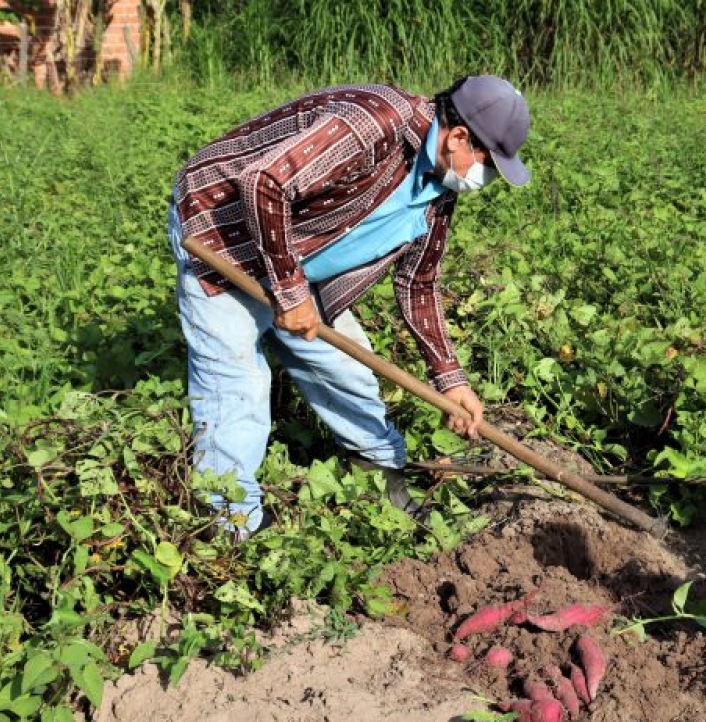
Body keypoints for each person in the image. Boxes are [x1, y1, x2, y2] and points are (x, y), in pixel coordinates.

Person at [166, 75, 531, 538]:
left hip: (293, 259)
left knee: (347, 370)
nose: (487, 179)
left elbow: (419, 283)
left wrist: (450, 379)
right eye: (489, 165)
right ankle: (229, 525)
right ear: (459, 136)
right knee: (236, 384)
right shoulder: (374, 123)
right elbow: (263, 182)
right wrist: (292, 293)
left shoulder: (438, 190)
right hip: (223, 235)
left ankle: (380, 480)